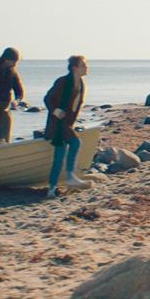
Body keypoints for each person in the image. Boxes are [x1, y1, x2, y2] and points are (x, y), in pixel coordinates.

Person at [43, 55, 90, 198]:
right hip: (57, 124)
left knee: (59, 156)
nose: (86, 67)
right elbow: (47, 98)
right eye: (83, 65)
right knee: (75, 142)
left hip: (66, 124)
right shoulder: (63, 81)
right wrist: (56, 110)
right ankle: (70, 176)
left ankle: (51, 189)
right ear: (75, 68)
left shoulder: (80, 84)